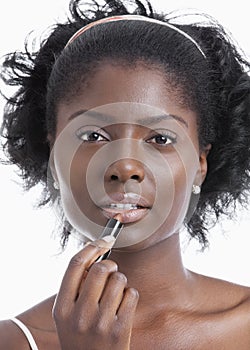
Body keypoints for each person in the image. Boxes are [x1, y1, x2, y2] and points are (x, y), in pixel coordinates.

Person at [0, 0, 250, 348]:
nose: (125, 168)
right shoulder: (14, 340)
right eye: (93, 137)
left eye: (160, 139)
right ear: (54, 155)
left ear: (200, 164)